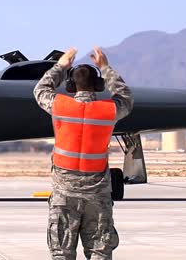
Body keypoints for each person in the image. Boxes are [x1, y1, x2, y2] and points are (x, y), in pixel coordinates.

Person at [33, 47, 133, 260]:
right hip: (97, 195)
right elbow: (125, 97)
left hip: (64, 193)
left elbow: (40, 90)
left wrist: (61, 66)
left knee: (61, 253)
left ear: (70, 86)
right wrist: (105, 67)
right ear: (98, 86)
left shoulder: (60, 105)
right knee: (99, 252)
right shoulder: (109, 110)